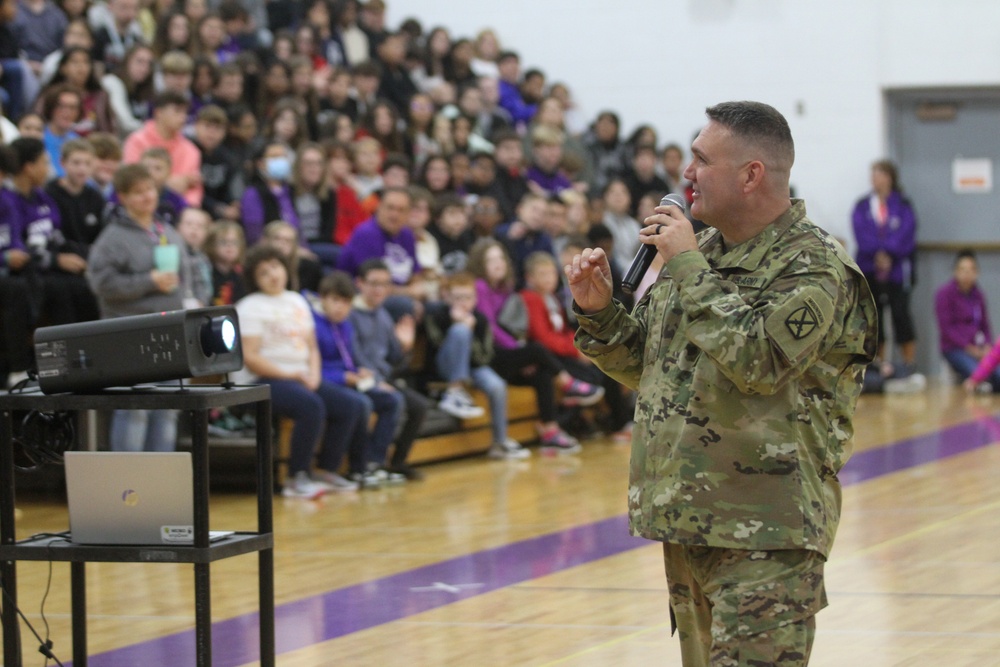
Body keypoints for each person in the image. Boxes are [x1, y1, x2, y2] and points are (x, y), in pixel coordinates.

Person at [566, 101, 877, 665]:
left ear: (751, 174)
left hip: (766, 535)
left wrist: (686, 266)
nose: (686, 174)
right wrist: (600, 313)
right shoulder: (702, 254)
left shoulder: (815, 267)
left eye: (701, 160)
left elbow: (758, 361)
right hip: (691, 522)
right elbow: (652, 366)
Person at [235, 243, 359, 498]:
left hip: (300, 375)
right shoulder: (249, 306)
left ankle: (326, 470)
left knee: (350, 405)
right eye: (264, 272)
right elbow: (251, 357)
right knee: (310, 406)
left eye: (275, 267)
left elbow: (312, 347)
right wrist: (293, 375)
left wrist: (313, 374)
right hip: (262, 379)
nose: (273, 275)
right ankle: (296, 476)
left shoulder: (297, 300)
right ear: (255, 280)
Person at [86, 163, 190, 451]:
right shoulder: (112, 238)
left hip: (170, 330)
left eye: (150, 189)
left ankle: (158, 485)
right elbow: (102, 285)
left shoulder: (166, 229)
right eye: (138, 192)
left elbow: (187, 273)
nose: (147, 197)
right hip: (130, 334)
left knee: (168, 408)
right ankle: (130, 486)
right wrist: (149, 281)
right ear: (123, 197)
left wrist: (191, 300)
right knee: (135, 411)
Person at [311, 270, 405, 487]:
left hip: (349, 379)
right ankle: (357, 467)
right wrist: (344, 376)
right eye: (334, 300)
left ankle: (375, 463)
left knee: (392, 400)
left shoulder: (345, 325)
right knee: (361, 404)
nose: (339, 307)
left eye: (345, 302)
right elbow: (314, 366)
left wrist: (360, 371)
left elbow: (349, 359)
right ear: (323, 298)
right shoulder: (314, 325)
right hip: (327, 381)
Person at [422, 271, 530, 460]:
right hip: (443, 368)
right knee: (460, 331)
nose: (463, 302)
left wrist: (470, 333)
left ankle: (500, 442)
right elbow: (436, 346)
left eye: (468, 297)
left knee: (497, 385)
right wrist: (459, 329)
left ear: (475, 298)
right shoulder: (435, 315)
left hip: (473, 367)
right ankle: (454, 392)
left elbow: (485, 357)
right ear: (446, 296)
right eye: (457, 298)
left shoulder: (480, 319)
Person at [349, 258, 430, 480]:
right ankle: (374, 462)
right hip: (359, 378)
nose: (379, 289)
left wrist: (405, 345)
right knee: (393, 400)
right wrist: (375, 380)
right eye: (374, 283)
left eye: (384, 284)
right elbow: (353, 357)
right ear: (360, 283)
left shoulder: (383, 314)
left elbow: (396, 361)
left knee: (420, 406)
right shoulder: (351, 315)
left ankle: (397, 462)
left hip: (384, 378)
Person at [851, 158, 922, 384]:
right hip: (870, 268)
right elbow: (861, 231)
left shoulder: (903, 204)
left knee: (901, 315)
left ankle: (909, 365)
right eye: (873, 174)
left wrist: (889, 253)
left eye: (879, 173)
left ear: (890, 177)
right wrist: (877, 253)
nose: (875, 178)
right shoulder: (863, 205)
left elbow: (907, 232)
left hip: (897, 271)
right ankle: (879, 366)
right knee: (874, 317)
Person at [122, 91, 203, 207]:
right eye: (177, 111)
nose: (183, 117)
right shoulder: (136, 141)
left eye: (185, 112)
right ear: (158, 113)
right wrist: (167, 185)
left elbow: (194, 194)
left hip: (179, 211)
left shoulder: (191, 150)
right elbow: (131, 180)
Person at [935, 250, 1000, 390]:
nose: (966, 274)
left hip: (980, 347)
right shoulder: (944, 294)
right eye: (962, 269)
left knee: (997, 373)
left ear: (977, 273)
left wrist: (988, 346)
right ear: (955, 271)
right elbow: (947, 330)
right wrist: (970, 349)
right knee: (978, 373)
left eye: (971, 270)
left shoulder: (979, 295)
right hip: (955, 348)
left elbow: (985, 326)